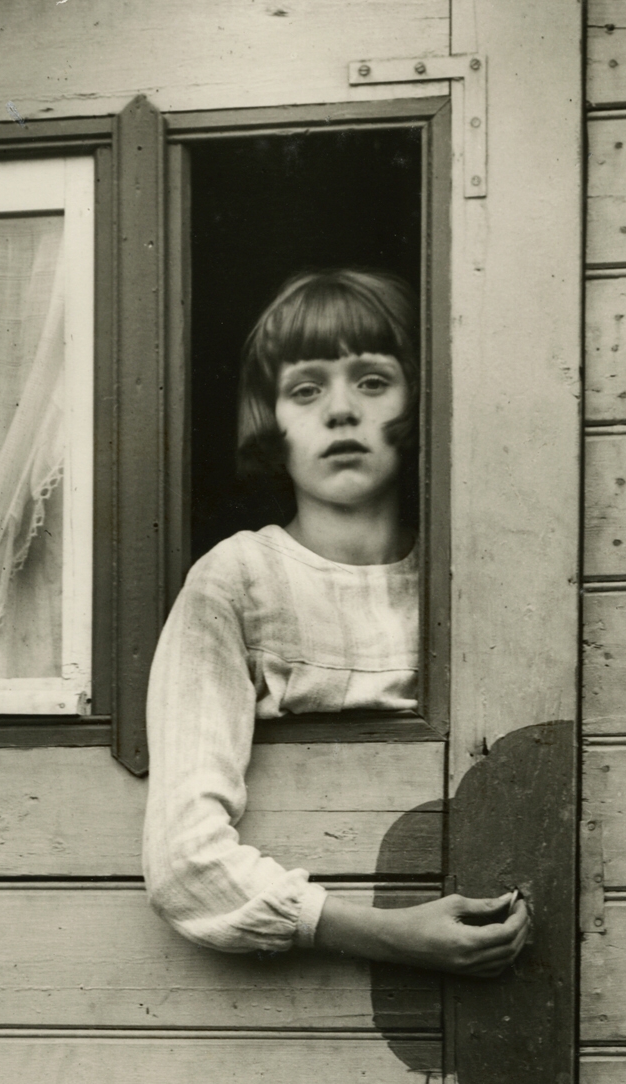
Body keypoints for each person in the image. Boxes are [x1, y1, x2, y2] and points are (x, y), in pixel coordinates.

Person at [143, 267, 531, 975]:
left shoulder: (477, 573)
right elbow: (182, 858)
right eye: (306, 389)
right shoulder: (235, 580)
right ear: (272, 418)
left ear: (418, 401)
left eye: (373, 381)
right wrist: (387, 934)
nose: (341, 411)